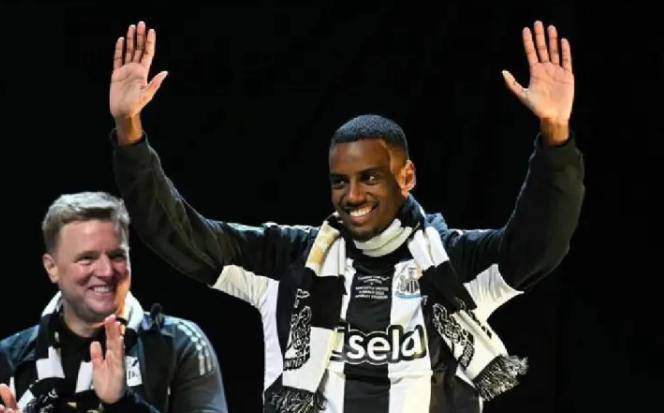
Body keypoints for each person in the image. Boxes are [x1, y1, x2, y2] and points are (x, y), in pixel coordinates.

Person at [108, 20, 584, 413]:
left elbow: (539, 245)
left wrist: (555, 134)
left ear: (407, 177)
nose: (352, 195)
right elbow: (177, 235)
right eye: (340, 181)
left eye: (370, 178)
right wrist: (130, 132)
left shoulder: (454, 262)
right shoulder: (287, 259)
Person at [0, 192, 228, 413]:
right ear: (52, 268)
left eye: (117, 256)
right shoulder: (8, 358)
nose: (107, 271)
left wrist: (123, 402)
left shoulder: (178, 343)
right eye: (87, 258)